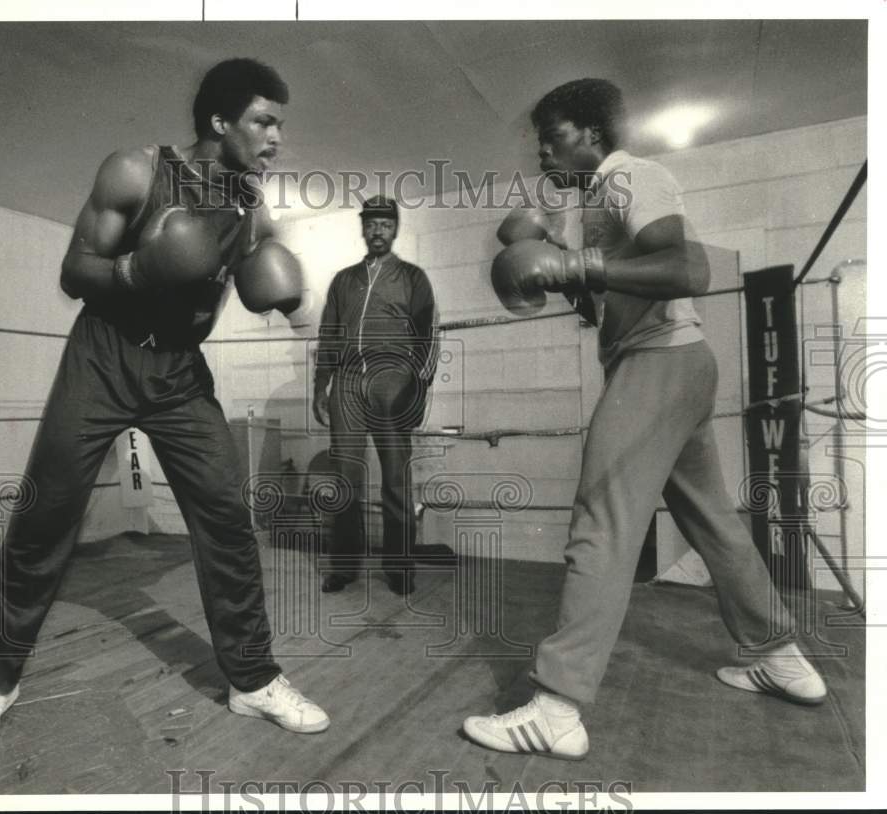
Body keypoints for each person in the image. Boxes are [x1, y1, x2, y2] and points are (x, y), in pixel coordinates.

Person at [0, 58, 329, 754]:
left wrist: (300, 307)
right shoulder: (134, 171)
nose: (276, 137)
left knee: (226, 519)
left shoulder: (249, 202)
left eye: (279, 123)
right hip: (103, 354)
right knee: (46, 517)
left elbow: (271, 273)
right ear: (220, 121)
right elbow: (75, 271)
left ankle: (252, 679)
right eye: (263, 122)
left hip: (179, 371)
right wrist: (138, 268)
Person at [463, 78, 826, 759]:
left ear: (593, 136)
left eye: (555, 135)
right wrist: (558, 267)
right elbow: (606, 298)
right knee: (710, 519)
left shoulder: (631, 177)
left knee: (601, 518)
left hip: (657, 365)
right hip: (675, 365)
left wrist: (576, 261)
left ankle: (557, 706)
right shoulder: (590, 207)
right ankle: (777, 654)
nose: (542, 151)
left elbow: (687, 267)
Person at [312, 197, 438, 596]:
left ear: (395, 229)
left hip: (393, 381)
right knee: (345, 479)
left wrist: (418, 385)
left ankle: (400, 569)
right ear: (363, 229)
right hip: (346, 383)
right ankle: (345, 567)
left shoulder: (412, 277)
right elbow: (328, 334)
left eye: (385, 224)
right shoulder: (343, 280)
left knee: (396, 481)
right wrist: (321, 384)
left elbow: (429, 334)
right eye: (372, 224)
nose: (378, 230)